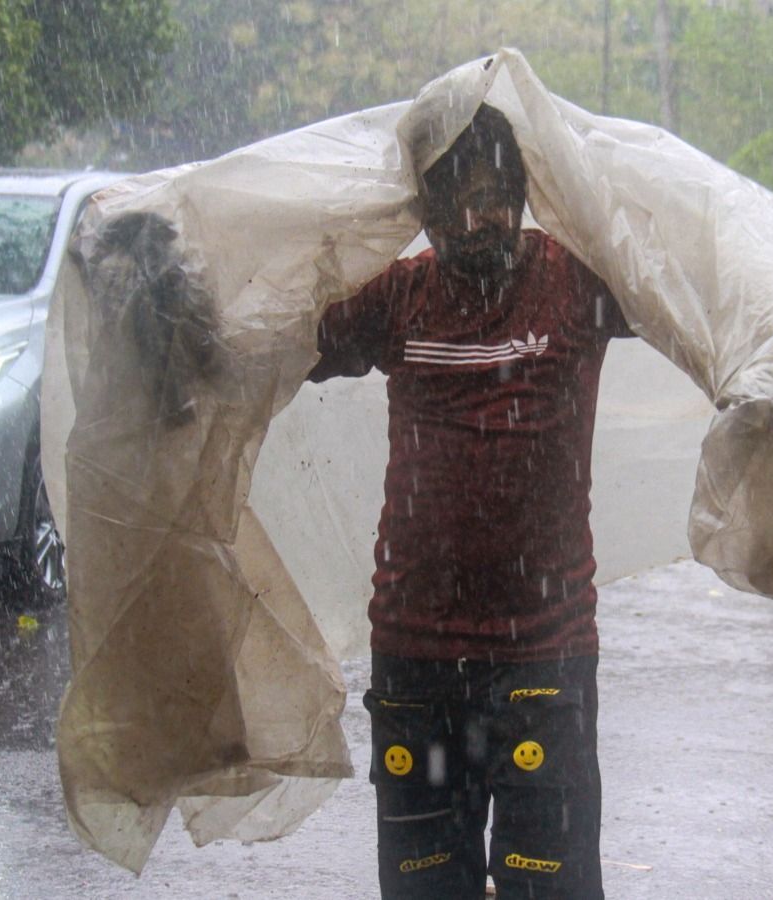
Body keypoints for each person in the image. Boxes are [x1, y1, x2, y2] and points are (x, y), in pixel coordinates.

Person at [308, 103, 632, 899]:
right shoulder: (399, 299)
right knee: (427, 889)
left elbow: (695, 307)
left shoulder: (576, 284)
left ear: (524, 194)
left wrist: (770, 361)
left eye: (492, 194)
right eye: (449, 200)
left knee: (546, 890)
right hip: (419, 669)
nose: (473, 217)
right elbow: (282, 344)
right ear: (420, 211)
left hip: (543, 663)